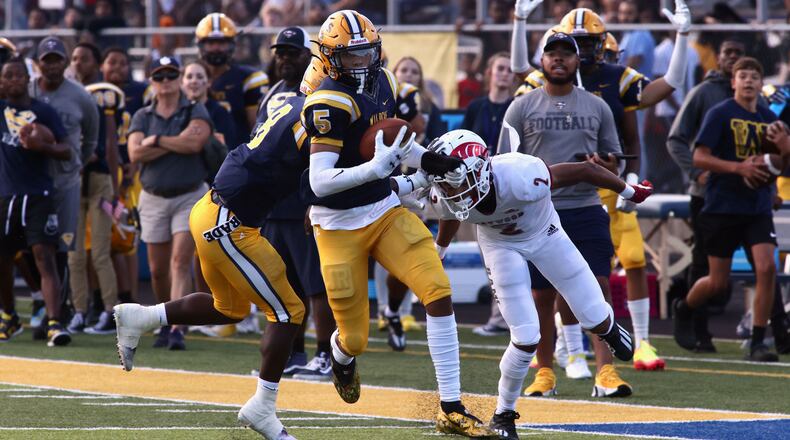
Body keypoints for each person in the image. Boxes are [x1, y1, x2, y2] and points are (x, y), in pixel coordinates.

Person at [302, 9, 496, 437]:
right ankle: (341, 357)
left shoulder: (386, 82)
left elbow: (397, 142)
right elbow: (320, 180)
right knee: (354, 337)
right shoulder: (326, 100)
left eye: (368, 53)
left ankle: (451, 406)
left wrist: (428, 159)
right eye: (352, 57)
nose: (363, 63)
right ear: (331, 58)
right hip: (336, 224)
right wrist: (378, 169)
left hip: (383, 208)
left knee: (437, 290)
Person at [511, 2, 691, 378]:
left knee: (604, 274)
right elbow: (518, 75)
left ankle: (627, 347)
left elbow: (663, 90)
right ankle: (568, 351)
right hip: (546, 198)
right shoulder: (535, 90)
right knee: (546, 286)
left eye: (585, 42)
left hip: (600, 191)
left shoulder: (609, 81)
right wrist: (520, 21)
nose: (579, 49)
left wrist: (682, 36)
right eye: (570, 43)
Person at [430, 129, 648, 438]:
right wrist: (440, 249)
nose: (451, 190)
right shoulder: (448, 194)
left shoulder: (521, 174)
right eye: (445, 183)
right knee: (526, 337)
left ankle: (606, 327)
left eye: (456, 181)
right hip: (500, 246)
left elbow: (585, 170)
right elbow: (451, 210)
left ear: (480, 169)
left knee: (593, 314)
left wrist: (629, 191)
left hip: (545, 234)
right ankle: (504, 415)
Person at [116, 96, 310, 440]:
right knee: (288, 311)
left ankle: (142, 317)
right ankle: (262, 407)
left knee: (230, 308)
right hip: (229, 223)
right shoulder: (313, 115)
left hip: (211, 210)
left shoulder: (295, 107)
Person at [500, 32, 633, 398]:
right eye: (552, 54)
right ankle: (545, 372)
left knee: (600, 285)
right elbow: (505, 164)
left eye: (566, 54)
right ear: (541, 61)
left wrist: (605, 164)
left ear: (577, 62)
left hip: (586, 205)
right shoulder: (521, 107)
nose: (558, 60)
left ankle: (605, 371)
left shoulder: (598, 106)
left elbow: (614, 160)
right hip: (538, 213)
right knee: (542, 294)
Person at [673, 58, 784, 363]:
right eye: (742, 76)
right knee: (718, 282)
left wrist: (776, 175)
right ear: (733, 82)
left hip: (757, 206)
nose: (748, 81)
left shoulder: (768, 119)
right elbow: (699, 157)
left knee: (766, 268)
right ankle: (684, 307)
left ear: (762, 84)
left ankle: (759, 340)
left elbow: (774, 164)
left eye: (754, 77)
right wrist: (738, 168)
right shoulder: (720, 113)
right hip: (722, 205)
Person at [254, 26, 337, 381]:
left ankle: (325, 355)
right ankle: (295, 351)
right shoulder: (271, 92)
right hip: (274, 204)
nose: (285, 59)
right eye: (281, 53)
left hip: (304, 200)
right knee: (282, 285)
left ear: (310, 56)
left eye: (293, 52)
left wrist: (313, 199)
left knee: (316, 284)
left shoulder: (322, 91)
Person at [666, 37, 747, 352]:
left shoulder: (755, 98)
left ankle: (771, 332)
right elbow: (676, 139)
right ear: (718, 58)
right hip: (708, 193)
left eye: (738, 54)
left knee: (760, 259)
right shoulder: (704, 93)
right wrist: (695, 171)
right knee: (704, 262)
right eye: (728, 53)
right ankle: (697, 327)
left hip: (747, 194)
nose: (732, 58)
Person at [127, 57, 212, 351]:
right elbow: (135, 154)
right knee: (157, 269)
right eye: (159, 76)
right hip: (153, 197)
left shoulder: (194, 108)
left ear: (178, 78)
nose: (166, 81)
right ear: (152, 81)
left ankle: (177, 327)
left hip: (189, 194)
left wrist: (157, 140)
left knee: (180, 261)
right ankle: (164, 320)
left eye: (171, 75)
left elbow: (194, 144)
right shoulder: (142, 115)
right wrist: (174, 140)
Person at [0, 57, 72, 346]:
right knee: (2, 261)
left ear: (28, 78)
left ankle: (54, 321)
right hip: (6, 195)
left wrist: (42, 145)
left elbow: (67, 150)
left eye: (18, 75)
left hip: (39, 194)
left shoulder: (43, 111)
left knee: (44, 257)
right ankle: (9, 316)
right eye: (8, 75)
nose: (14, 79)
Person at [31, 36, 100, 332]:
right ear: (38, 63)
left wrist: (74, 165)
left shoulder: (81, 96)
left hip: (64, 181)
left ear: (65, 61)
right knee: (28, 246)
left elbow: (91, 138)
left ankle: (56, 311)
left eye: (58, 59)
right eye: (47, 60)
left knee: (62, 246)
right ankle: (40, 304)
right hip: (30, 180)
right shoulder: (27, 89)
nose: (53, 65)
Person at [66, 42, 121, 335]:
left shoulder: (103, 93)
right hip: (73, 180)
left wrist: (116, 182)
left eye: (84, 58)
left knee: (99, 251)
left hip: (99, 180)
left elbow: (110, 143)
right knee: (74, 252)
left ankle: (110, 311)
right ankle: (79, 310)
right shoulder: (66, 92)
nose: (78, 63)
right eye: (74, 58)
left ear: (96, 63)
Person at [196, 13, 269, 148]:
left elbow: (257, 128)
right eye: (211, 43)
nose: (216, 48)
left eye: (222, 43)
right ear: (201, 45)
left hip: (236, 157)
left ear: (232, 44)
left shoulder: (249, 78)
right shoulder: (189, 77)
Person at [461, 52, 515, 156]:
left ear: (514, 77)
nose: (505, 73)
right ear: (489, 72)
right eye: (500, 68)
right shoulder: (475, 106)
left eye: (510, 70)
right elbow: (463, 140)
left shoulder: (516, 106)